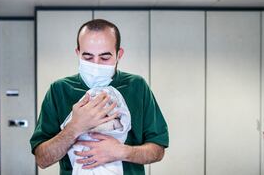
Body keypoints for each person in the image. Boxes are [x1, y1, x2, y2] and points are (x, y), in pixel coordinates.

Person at [30, 19, 169, 175]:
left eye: (104, 58)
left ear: (119, 54)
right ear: (78, 53)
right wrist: (74, 128)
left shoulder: (137, 87)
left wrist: (122, 152)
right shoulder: (59, 90)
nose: (96, 65)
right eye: (88, 58)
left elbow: (158, 150)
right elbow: (42, 159)